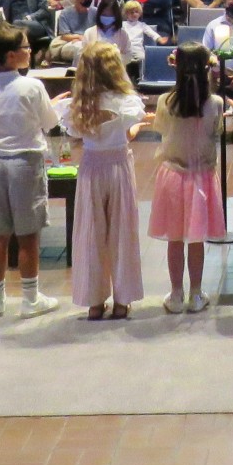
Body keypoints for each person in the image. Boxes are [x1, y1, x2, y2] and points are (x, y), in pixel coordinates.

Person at [0, 22, 61, 319]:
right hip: (25, 162)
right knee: (28, 234)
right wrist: (56, 105)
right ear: (11, 56)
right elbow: (48, 122)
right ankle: (30, 298)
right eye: (25, 47)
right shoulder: (32, 85)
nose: (30, 51)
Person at [57, 41, 148, 320]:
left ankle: (94, 302)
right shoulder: (128, 101)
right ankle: (122, 300)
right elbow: (128, 129)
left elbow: (75, 132)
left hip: (91, 167)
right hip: (118, 164)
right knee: (122, 232)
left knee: (91, 233)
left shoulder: (78, 105)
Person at [147, 44, 225, 313]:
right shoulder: (215, 103)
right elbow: (216, 131)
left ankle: (176, 293)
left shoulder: (165, 101)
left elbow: (161, 130)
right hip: (202, 176)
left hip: (172, 174)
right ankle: (196, 293)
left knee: (175, 237)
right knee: (196, 237)